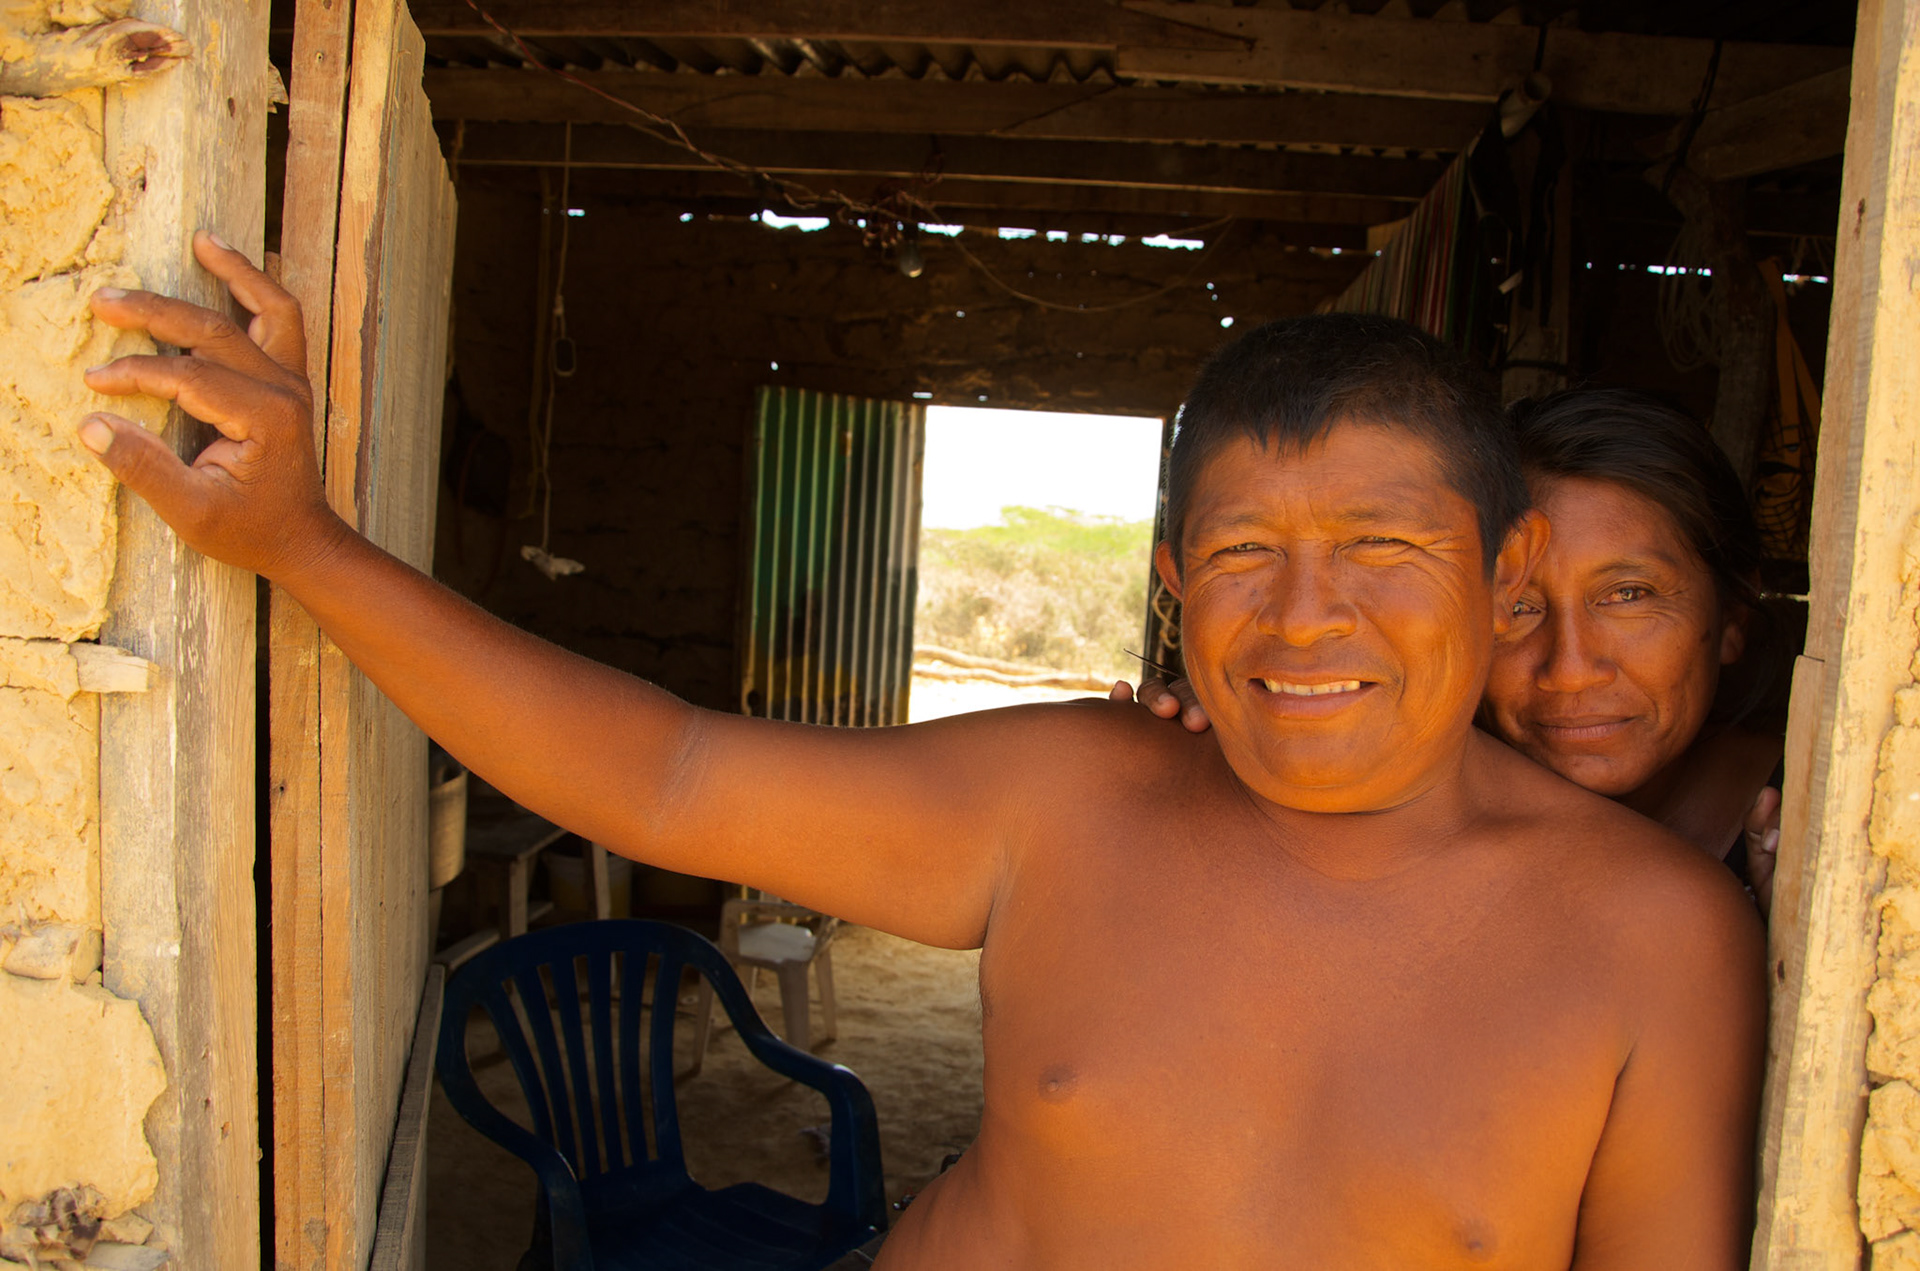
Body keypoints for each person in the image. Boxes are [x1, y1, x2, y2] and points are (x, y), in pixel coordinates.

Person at [78, 234, 1764, 1269]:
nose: (1306, 617)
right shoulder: (1072, 795)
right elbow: (660, 774)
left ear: (1489, 578)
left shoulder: (1654, 940)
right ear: (1174, 590)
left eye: (1383, 555)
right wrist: (303, 542)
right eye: (1247, 556)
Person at [1126, 387, 1788, 910]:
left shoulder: (1828, 814)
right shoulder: (1413, 792)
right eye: (1522, 607)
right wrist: (1244, 703)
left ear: (1731, 615)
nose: (1571, 668)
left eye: (1629, 595)